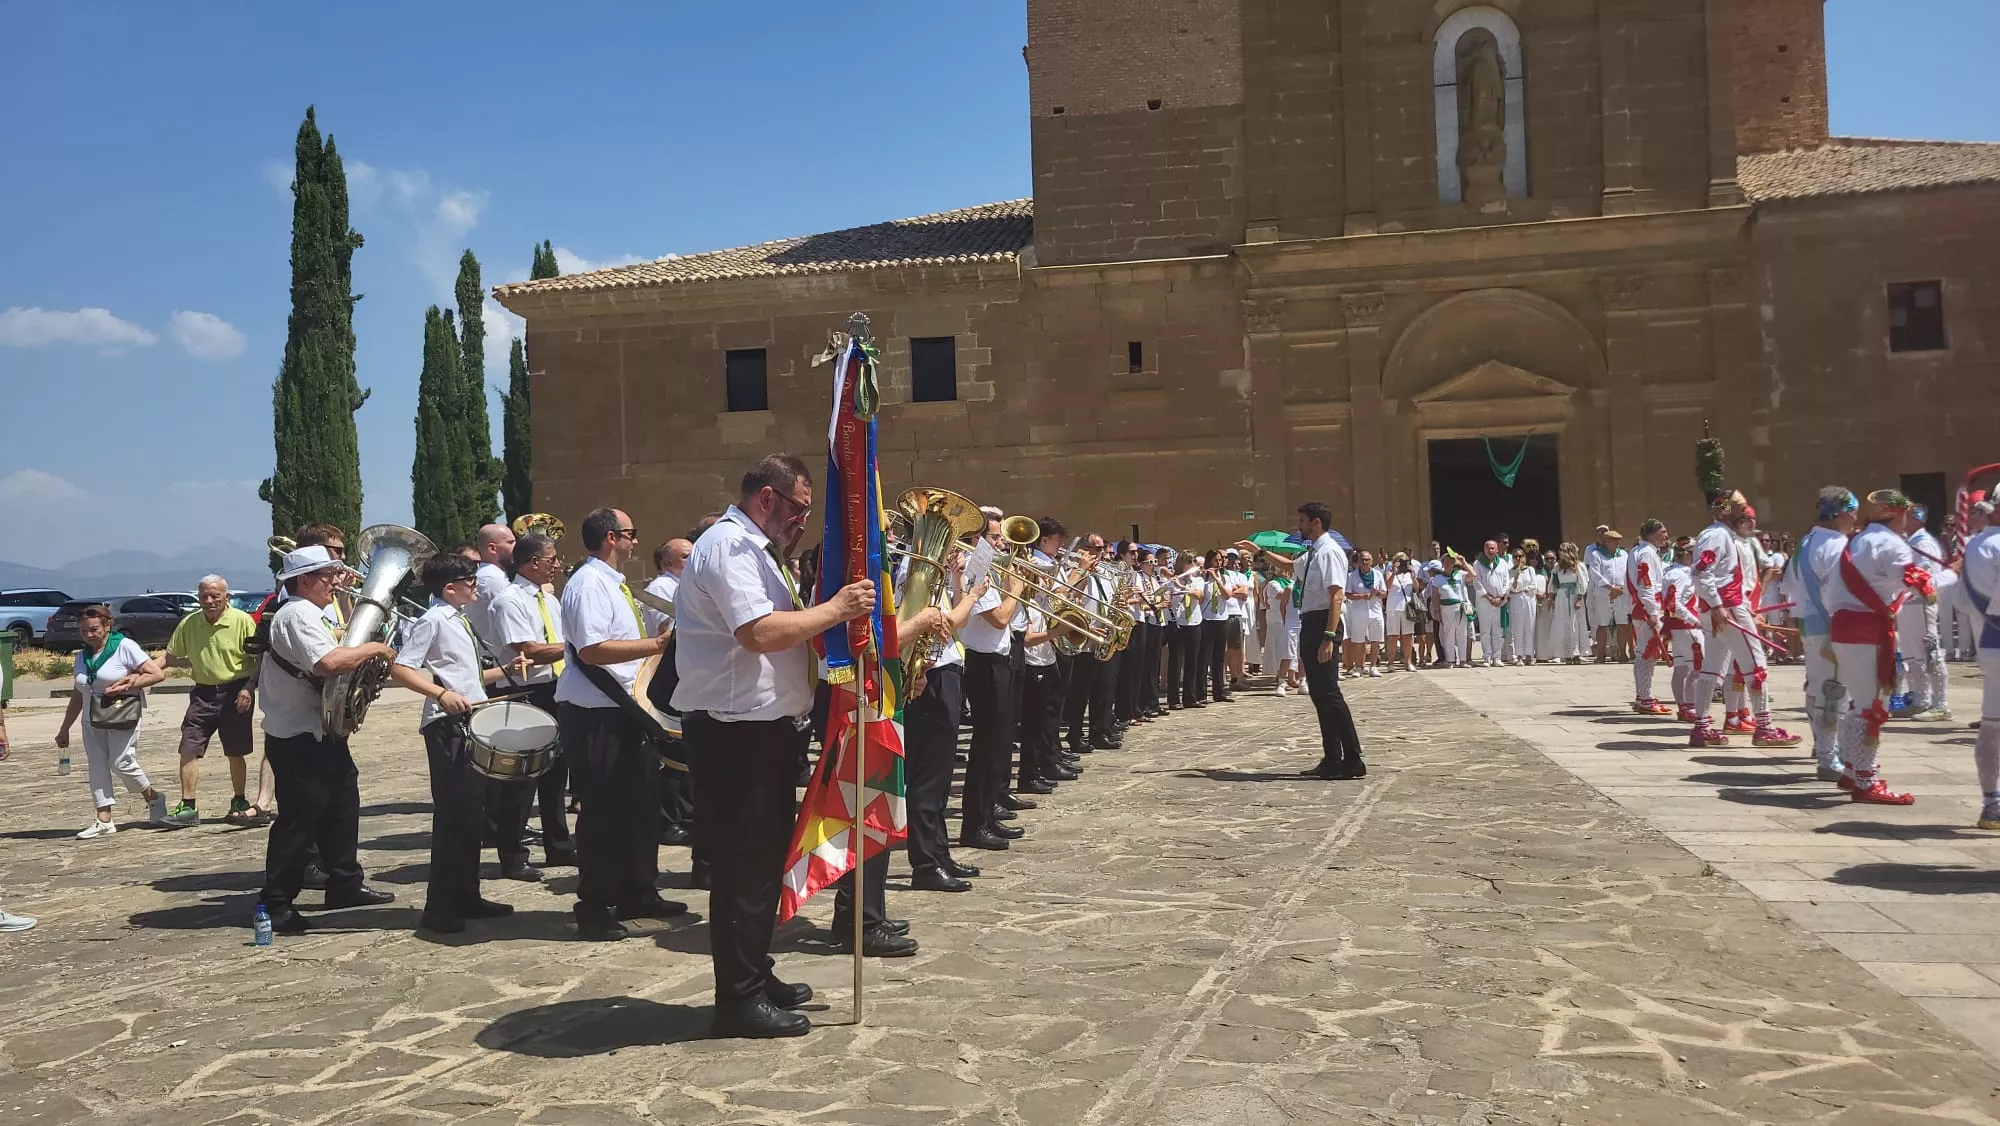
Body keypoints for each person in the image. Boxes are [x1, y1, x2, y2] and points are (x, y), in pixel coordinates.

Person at [675, 454, 877, 1038]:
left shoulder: (759, 551)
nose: (801, 521)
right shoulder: (730, 548)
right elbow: (758, 633)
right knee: (745, 871)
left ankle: (754, 974)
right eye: (798, 508)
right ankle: (737, 1001)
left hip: (763, 729)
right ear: (768, 497)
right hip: (736, 732)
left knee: (762, 866)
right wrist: (836, 608)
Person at [254, 547, 399, 934]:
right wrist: (374, 648)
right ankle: (276, 901)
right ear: (303, 580)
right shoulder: (297, 614)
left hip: (317, 730)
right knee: (299, 820)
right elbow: (329, 664)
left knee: (341, 806)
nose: (335, 581)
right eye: (327, 575)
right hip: (298, 734)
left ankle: (344, 882)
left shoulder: (309, 613)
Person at [556, 507, 682, 942]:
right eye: (631, 533)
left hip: (625, 710)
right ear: (612, 537)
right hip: (596, 715)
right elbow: (592, 651)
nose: (635, 541)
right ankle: (594, 905)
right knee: (604, 814)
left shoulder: (613, 584)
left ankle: (638, 891)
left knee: (640, 807)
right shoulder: (589, 584)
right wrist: (658, 644)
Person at [387, 553, 526, 934]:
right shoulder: (432, 620)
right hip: (447, 726)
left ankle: (467, 894)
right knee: (452, 817)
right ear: (449, 587)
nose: (475, 585)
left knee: (471, 817)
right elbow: (400, 667)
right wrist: (439, 694)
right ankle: (439, 906)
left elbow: (466, 675)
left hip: (471, 721)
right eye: (469, 579)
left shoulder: (458, 618)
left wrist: (505, 671)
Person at [1826, 490, 1928, 804]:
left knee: (1860, 703)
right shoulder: (1892, 544)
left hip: (1844, 627)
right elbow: (1914, 584)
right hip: (1867, 629)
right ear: (1900, 514)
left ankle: (1853, 768)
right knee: (1871, 707)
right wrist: (1946, 578)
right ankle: (1865, 781)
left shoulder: (1856, 540)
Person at [1688, 493, 1801, 751]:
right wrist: (1718, 605)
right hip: (1725, 608)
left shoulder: (1727, 537)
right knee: (1756, 666)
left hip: (1724, 608)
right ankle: (1765, 727)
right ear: (1727, 511)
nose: (1746, 513)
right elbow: (1700, 572)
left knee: (1713, 668)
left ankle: (1702, 726)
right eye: (1740, 508)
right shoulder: (1717, 535)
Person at [493, 532, 576, 868]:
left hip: (556, 687)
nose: (557, 565)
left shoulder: (548, 599)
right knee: (523, 777)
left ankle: (558, 844)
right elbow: (526, 649)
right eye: (552, 559)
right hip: (527, 691)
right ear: (533, 562)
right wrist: (578, 648)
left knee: (556, 773)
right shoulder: (509, 599)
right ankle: (512, 853)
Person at [903, 546, 984, 891]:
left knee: (940, 775)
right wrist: (976, 593)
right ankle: (924, 862)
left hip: (947, 670)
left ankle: (939, 851)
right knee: (927, 775)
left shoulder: (936, 571)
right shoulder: (917, 569)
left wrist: (957, 579)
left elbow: (956, 623)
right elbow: (947, 622)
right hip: (930, 676)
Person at [54, 604, 170, 838]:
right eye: (84, 631)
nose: (88, 635)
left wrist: (131, 683)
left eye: (94, 629)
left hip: (121, 714)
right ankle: (103, 818)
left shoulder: (124, 647)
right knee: (97, 766)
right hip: (91, 718)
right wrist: (65, 727)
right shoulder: (82, 655)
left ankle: (153, 797)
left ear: (107, 626)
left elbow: (157, 673)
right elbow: (78, 693)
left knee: (121, 762)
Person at [159, 576, 258, 826]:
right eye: (204, 596)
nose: (210, 600)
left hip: (236, 692)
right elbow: (169, 658)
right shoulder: (190, 624)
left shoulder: (242, 621)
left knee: (235, 751)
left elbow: (259, 659)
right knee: (189, 746)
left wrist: (248, 688)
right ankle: (188, 806)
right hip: (202, 694)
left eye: (215, 595)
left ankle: (239, 800)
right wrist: (136, 673)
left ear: (227, 597)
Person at [1785, 487, 1858, 781]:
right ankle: (1830, 758)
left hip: (1810, 625)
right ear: (1840, 513)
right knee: (1834, 692)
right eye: (1852, 510)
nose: (1855, 517)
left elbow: (1790, 586)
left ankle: (1823, 745)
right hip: (1832, 626)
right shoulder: (1836, 546)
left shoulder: (1806, 541)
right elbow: (1837, 592)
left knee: (1817, 687)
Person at [962, 515, 1026, 851]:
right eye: (994, 537)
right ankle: (975, 823)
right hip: (983, 664)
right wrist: (1016, 590)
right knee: (985, 747)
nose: (1002, 544)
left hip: (998, 660)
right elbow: (1000, 618)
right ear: (977, 538)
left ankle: (987, 815)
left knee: (998, 744)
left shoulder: (990, 570)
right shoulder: (976, 571)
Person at [1295, 502, 1366, 779]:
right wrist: (1261, 553)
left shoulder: (1330, 552)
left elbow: (1337, 594)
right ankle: (1332, 756)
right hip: (1311, 621)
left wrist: (1328, 636)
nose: (1298, 526)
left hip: (1324, 623)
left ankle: (1353, 758)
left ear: (1316, 523)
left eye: (1302, 521)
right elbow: (1293, 566)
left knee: (1330, 693)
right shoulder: (1313, 552)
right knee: (1319, 693)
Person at [642, 538, 697, 847]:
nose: (692, 561)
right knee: (670, 756)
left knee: (683, 754)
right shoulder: (662, 588)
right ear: (667, 563)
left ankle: (683, 815)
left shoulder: (679, 585)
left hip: (681, 671)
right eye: (686, 557)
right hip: (665, 672)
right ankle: (668, 820)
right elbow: (667, 630)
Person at [1950, 499, 2000, 830]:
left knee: (1993, 721)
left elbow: (1958, 600)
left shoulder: (1976, 546)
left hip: (1990, 642)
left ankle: (1992, 803)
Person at [1896, 504, 1952, 720]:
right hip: (1906, 604)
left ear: (1917, 519)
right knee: (1912, 655)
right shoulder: (1908, 542)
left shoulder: (1924, 543)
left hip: (1920, 602)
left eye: (1906, 516)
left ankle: (1941, 703)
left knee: (1929, 652)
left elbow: (1924, 576)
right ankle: (1921, 699)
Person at [1627, 520, 1672, 715]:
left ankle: (1643, 696)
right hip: (1648, 608)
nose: (1666, 536)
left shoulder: (1641, 551)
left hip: (1645, 606)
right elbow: (1646, 583)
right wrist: (1653, 611)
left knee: (1645, 654)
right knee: (1647, 654)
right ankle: (1644, 697)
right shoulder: (1646, 553)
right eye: (1662, 532)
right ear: (1652, 534)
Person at [1661, 537, 1703, 722]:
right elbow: (1674, 603)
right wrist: (1694, 620)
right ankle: (1690, 708)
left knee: (1681, 669)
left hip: (1678, 627)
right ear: (1683, 553)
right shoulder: (1680, 574)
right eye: (1693, 552)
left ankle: (1683, 707)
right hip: (1687, 627)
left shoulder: (1673, 572)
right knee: (1697, 669)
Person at [1586, 528, 1632, 661]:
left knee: (1622, 624)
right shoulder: (1596, 554)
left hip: (1622, 592)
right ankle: (1601, 654)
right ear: (1606, 541)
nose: (1616, 543)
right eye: (1613, 541)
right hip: (1603, 592)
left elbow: (1628, 572)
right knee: (1602, 624)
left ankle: (1623, 653)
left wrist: (1620, 588)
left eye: (1618, 541)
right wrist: (1611, 587)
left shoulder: (1623, 554)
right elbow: (1595, 573)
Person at [1168, 551, 1205, 708]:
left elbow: (1199, 595)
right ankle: (1173, 699)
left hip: (1194, 622)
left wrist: (1183, 587)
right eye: (1190, 562)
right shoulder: (1171, 581)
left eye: (1194, 562)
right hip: (1178, 623)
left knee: (1192, 661)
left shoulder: (1197, 580)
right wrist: (1175, 584)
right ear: (1182, 564)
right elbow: (1170, 600)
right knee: (1176, 662)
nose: (1193, 565)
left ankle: (1190, 697)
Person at [1343, 550, 1386, 677]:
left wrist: (1376, 593)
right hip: (1359, 611)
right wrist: (1363, 596)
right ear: (1359, 561)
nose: (1365, 562)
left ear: (1372, 561)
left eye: (1368, 559)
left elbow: (1384, 593)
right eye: (1363, 560)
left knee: (1376, 640)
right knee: (1358, 640)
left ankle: (1373, 666)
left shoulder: (1377, 575)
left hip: (1375, 611)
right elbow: (1348, 594)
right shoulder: (1352, 576)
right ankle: (1358, 667)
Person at [1470, 540, 1511, 667]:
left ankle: (1497, 657)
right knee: (1485, 630)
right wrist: (1489, 597)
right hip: (1484, 602)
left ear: (1497, 549)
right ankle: (1487, 656)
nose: (1490, 550)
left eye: (1493, 548)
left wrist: (1500, 597)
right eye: (1488, 548)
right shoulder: (1478, 563)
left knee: (1498, 630)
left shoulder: (1503, 563)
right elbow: (1477, 582)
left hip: (1499, 601)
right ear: (1484, 549)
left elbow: (1506, 582)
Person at [1265, 554, 1302, 689]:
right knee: (1281, 650)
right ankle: (1279, 676)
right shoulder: (1273, 584)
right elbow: (1281, 598)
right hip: (1278, 619)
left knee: (1294, 650)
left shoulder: (1293, 584)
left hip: (1291, 620)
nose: (1285, 571)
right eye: (1281, 569)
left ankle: (1291, 677)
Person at [1550, 543, 1589, 663]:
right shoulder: (1558, 566)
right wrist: (1551, 596)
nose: (1559, 552)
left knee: (1575, 623)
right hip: (1562, 596)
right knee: (1563, 624)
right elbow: (1553, 582)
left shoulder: (1578, 566)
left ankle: (1576, 653)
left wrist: (1578, 599)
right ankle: (1566, 653)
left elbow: (1583, 582)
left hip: (1574, 595)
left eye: (1562, 550)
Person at [1220, 550, 1253, 690]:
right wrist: (1233, 591)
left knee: (1236, 648)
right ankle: (1221, 679)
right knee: (1223, 649)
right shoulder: (1222, 574)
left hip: (1237, 613)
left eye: (1235, 558)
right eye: (1229, 558)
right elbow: (1224, 593)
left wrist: (1231, 591)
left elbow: (1244, 593)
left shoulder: (1241, 576)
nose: (1233, 561)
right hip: (1224, 613)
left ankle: (1235, 678)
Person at [1431, 558, 1472, 668]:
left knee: (1462, 634)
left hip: (1460, 606)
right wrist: (1436, 611)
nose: (1448, 564)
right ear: (1443, 563)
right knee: (1448, 634)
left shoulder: (1460, 574)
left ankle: (1463, 660)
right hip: (1446, 607)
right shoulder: (1438, 578)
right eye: (1446, 562)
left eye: (1451, 562)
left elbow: (1473, 575)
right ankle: (1450, 660)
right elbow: (1435, 596)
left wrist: (1463, 562)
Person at [1507, 547, 1541, 666]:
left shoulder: (1530, 569)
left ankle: (1529, 655)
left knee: (1529, 627)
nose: (1518, 558)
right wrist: (1516, 577)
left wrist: (1524, 589)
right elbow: (1511, 588)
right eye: (1515, 556)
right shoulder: (1511, 571)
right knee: (1518, 628)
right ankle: (1519, 655)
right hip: (1516, 600)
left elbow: (1533, 585)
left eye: (1520, 556)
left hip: (1529, 599)